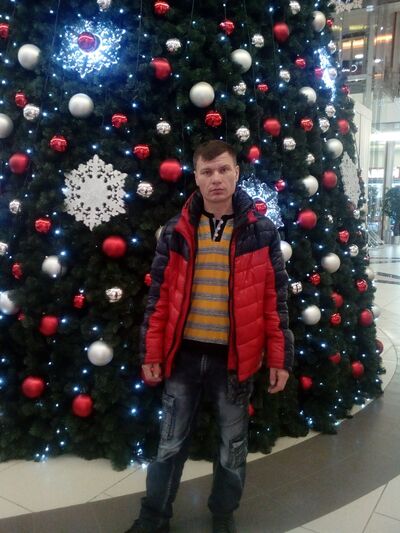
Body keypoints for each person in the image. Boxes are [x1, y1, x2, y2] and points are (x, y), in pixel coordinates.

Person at [127, 140, 294, 533]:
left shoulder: (262, 232)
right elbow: (159, 299)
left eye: (223, 170)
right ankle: (154, 517)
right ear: (197, 178)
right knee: (169, 444)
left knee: (232, 447)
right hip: (183, 358)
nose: (216, 178)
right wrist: (151, 352)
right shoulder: (176, 231)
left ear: (237, 173)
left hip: (235, 361)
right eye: (207, 171)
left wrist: (280, 358)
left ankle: (223, 516)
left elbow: (275, 302)